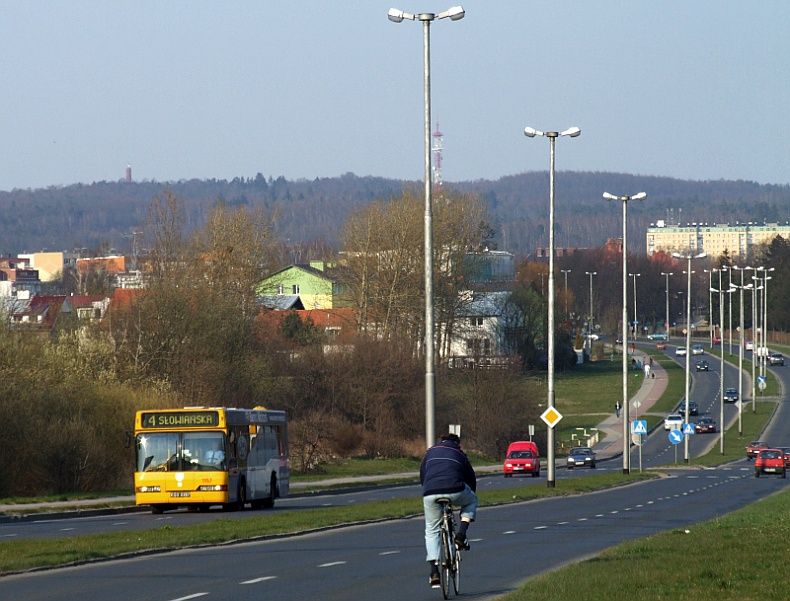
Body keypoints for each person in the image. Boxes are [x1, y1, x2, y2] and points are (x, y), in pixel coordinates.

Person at [420, 433, 478, 588]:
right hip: (455, 489)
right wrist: (470, 492)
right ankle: (461, 535)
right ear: (457, 443)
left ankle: (434, 571)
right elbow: (470, 478)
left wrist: (428, 490)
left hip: (430, 492)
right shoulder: (459, 453)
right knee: (472, 500)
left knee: (431, 530)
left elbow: (423, 475)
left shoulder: (430, 452)